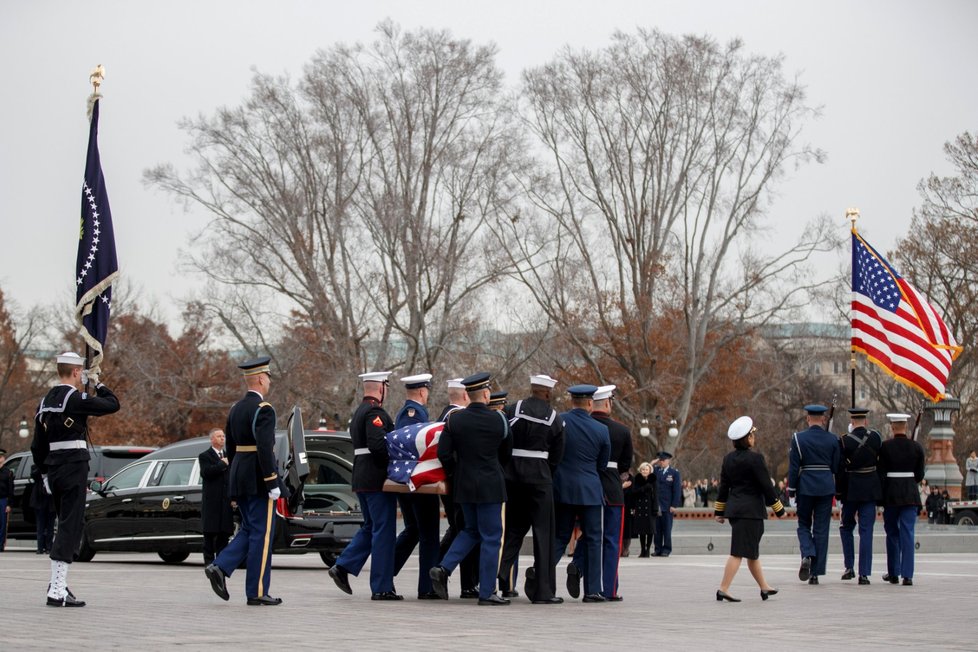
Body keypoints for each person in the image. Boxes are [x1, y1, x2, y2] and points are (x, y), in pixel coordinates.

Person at [32, 351, 120, 607]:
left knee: (66, 525)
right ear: (75, 372)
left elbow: (37, 445)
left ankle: (59, 584)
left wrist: (45, 473)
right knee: (70, 526)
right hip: (73, 467)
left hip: (54, 468)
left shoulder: (44, 400)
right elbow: (113, 403)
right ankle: (57, 590)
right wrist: (98, 384)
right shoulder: (75, 398)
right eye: (80, 373)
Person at [205, 357, 286, 606]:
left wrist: (232, 479)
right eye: (269, 378)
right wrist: (272, 481)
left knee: (251, 529)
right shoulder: (264, 409)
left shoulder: (235, 409)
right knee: (262, 535)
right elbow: (264, 447)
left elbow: (230, 446)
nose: (269, 382)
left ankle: (220, 566)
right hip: (258, 477)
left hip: (239, 473)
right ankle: (257, 591)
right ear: (262, 379)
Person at [429, 371, 513, 605]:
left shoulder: (454, 420)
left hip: (464, 485)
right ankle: (486, 592)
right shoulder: (500, 420)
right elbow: (507, 453)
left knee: (470, 531)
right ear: (486, 394)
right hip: (491, 485)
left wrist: (458, 473)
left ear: (468, 394)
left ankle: (443, 568)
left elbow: (444, 453)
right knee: (492, 537)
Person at [327, 371, 402, 600]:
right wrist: (391, 465)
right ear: (381, 388)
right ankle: (381, 587)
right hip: (375, 479)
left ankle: (342, 566)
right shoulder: (375, 412)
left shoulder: (359, 411)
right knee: (383, 532)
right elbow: (378, 445)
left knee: (371, 527)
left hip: (361, 476)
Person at [497, 374, 565, 604]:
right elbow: (557, 455)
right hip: (540, 477)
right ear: (547, 392)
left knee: (513, 530)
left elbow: (503, 440)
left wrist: (508, 466)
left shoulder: (512, 409)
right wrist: (545, 472)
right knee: (543, 534)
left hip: (512, 476)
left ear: (532, 389)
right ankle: (543, 591)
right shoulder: (554, 418)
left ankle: (502, 574)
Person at [714, 416, 786, 602]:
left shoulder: (728, 459)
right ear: (747, 438)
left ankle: (764, 587)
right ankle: (723, 588)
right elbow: (766, 486)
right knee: (739, 552)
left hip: (737, 510)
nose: (754, 438)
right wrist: (779, 509)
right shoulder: (755, 459)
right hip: (751, 511)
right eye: (752, 435)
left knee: (752, 552)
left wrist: (719, 511)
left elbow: (724, 487)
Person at [573, 384, 632, 600]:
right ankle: (609, 589)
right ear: (607, 403)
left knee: (590, 535)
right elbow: (625, 465)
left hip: (586, 488)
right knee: (611, 541)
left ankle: (578, 564)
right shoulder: (621, 430)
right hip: (612, 489)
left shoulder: (582, 426)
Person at [553, 384, 610, 603]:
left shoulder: (560, 421)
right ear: (589, 403)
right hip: (590, 490)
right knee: (594, 539)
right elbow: (602, 464)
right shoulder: (601, 430)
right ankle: (593, 590)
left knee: (560, 537)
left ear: (572, 401)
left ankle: (543, 577)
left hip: (563, 489)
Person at [391, 373, 442, 600]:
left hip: (407, 479)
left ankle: (385, 571)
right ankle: (427, 587)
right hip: (417, 481)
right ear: (423, 391)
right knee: (429, 533)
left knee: (413, 530)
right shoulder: (414, 413)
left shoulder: (408, 411)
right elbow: (415, 445)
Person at [787, 403, 840, 585]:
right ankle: (816, 572)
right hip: (825, 486)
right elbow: (835, 467)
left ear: (808, 418)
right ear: (823, 419)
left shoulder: (798, 438)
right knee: (821, 528)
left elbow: (794, 468)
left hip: (806, 486)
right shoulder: (833, 440)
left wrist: (791, 490)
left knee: (803, 524)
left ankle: (808, 553)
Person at [436, 378, 479, 599]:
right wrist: (456, 474)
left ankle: (439, 569)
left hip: (452, 483)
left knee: (459, 529)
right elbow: (447, 454)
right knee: (465, 530)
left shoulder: (444, 415)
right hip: (457, 484)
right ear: (465, 396)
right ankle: (466, 583)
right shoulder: (456, 417)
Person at [878, 412, 925, 586]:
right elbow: (919, 475)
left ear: (892, 427)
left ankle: (894, 572)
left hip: (891, 494)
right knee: (908, 533)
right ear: (906, 427)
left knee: (892, 533)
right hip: (910, 494)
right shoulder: (916, 447)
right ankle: (908, 575)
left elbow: (881, 473)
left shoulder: (885, 447)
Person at [837, 407, 883, 585]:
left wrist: (839, 491)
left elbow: (841, 470)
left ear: (852, 422)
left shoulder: (844, 441)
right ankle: (864, 573)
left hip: (851, 489)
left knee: (846, 526)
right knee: (866, 531)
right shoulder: (876, 438)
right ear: (865, 421)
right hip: (870, 488)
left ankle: (849, 567)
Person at [198, 428, 234, 566]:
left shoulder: (229, 455)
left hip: (225, 502)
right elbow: (206, 473)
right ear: (212, 439)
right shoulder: (205, 456)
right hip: (212, 502)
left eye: (223, 436)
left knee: (223, 534)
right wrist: (222, 464)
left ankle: (221, 563)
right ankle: (209, 563)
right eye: (219, 436)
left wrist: (233, 497)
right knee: (209, 534)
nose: (222, 439)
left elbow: (231, 478)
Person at [653, 451, 681, 556]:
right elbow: (644, 470)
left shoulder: (674, 473)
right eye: (660, 460)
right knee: (657, 530)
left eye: (663, 460)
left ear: (668, 461)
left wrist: (674, 505)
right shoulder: (655, 471)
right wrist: (652, 463)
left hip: (667, 506)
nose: (661, 462)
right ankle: (657, 549)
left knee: (667, 529)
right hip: (657, 505)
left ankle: (666, 549)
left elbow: (676, 490)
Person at [629, 462, 657, 557]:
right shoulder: (636, 480)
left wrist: (655, 508)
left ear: (650, 471)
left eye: (646, 470)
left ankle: (648, 550)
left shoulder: (653, 480)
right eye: (643, 469)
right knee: (641, 531)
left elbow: (656, 495)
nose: (645, 471)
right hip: (639, 508)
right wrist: (644, 488)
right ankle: (642, 550)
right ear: (640, 470)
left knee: (650, 530)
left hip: (650, 508)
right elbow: (633, 493)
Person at [30, 464, 55, 554]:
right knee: (40, 526)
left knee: (50, 526)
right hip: (39, 501)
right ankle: (40, 547)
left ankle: (49, 547)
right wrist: (42, 467)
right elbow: (34, 475)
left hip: (51, 501)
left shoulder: (53, 466)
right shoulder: (35, 466)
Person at [0, 449, 11, 551]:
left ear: (4, 458)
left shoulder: (8, 472)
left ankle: (0, 545)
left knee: (2, 523)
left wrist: (9, 504)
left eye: (1, 457)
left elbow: (10, 489)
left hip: (3, 500)